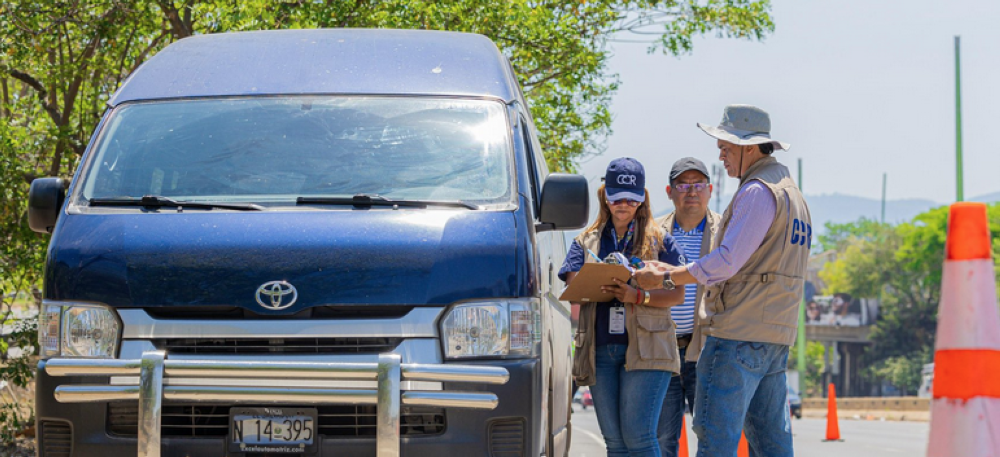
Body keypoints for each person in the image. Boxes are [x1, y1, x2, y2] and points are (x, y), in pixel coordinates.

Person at [633, 105, 811, 457]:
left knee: (716, 441)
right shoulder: (793, 195)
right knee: (772, 442)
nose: (721, 154)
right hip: (774, 334)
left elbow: (726, 261)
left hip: (737, 334)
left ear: (749, 147)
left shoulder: (757, 191)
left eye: (726, 146)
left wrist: (667, 276)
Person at [559, 157, 687, 457]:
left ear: (643, 199)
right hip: (600, 349)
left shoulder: (660, 240)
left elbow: (678, 293)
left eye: (632, 197)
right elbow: (573, 288)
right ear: (605, 195)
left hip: (649, 347)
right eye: (617, 196)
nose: (624, 204)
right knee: (615, 443)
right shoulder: (585, 241)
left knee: (640, 438)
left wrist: (637, 295)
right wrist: (603, 277)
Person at [653, 157, 721, 457]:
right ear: (670, 191)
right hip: (661, 349)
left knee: (711, 436)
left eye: (698, 185)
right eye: (683, 185)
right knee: (661, 439)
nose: (691, 191)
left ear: (710, 190)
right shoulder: (652, 234)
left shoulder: (727, 233)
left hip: (707, 350)